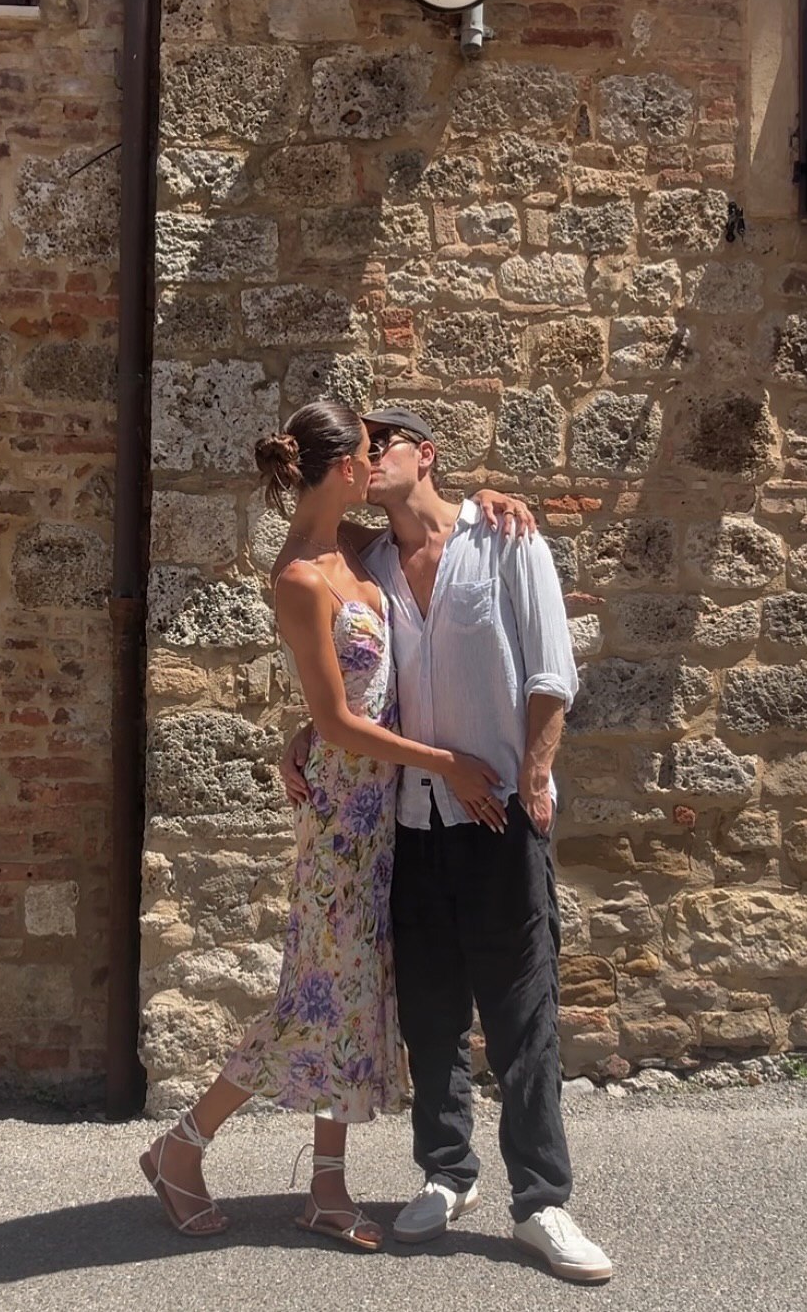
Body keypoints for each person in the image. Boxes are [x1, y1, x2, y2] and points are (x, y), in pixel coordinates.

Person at [139, 400, 524, 1250]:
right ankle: (180, 1147)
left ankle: (325, 1187)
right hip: (343, 821)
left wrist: (488, 498)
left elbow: (431, 538)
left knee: (350, 999)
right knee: (308, 1000)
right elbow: (341, 721)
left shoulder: (353, 545)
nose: (377, 462)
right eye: (368, 452)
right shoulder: (299, 579)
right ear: (345, 467)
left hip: (381, 815)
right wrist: (444, 761)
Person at [282, 406, 612, 1283]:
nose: (365, 456)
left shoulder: (506, 539)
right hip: (412, 822)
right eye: (359, 447)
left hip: (499, 815)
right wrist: (304, 730)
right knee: (430, 1017)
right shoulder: (370, 561)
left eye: (381, 443)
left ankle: (541, 1201)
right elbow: (347, 673)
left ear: (425, 455)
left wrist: (535, 779)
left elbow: (552, 672)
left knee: (522, 1016)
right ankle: (446, 1172)